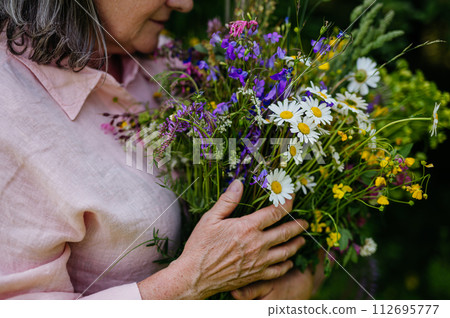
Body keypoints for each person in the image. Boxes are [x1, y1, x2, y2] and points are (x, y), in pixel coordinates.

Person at [0, 0, 319, 299]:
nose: (185, 4)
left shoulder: (169, 59)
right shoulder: (10, 110)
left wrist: (293, 284)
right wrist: (191, 280)